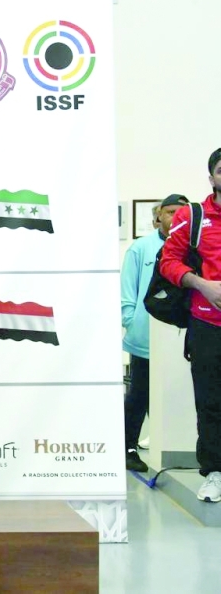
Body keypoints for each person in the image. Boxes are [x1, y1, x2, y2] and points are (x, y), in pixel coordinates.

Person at [160, 149, 221, 503]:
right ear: (211, 176)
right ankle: (214, 472)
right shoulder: (192, 216)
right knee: (211, 402)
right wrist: (200, 284)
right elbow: (168, 262)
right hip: (207, 326)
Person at [121, 194, 189, 472]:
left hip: (183, 337)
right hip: (144, 338)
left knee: (180, 394)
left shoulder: (193, 248)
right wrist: (131, 320)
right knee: (139, 394)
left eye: (180, 212)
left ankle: (180, 449)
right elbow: (128, 288)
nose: (174, 217)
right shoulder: (141, 248)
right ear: (158, 215)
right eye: (169, 212)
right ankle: (129, 448)